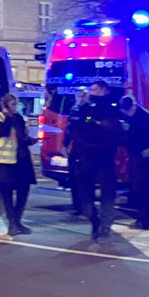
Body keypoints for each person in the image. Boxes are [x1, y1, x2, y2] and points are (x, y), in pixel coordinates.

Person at [73, 81, 124, 240]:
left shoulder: (112, 106)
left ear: (103, 90)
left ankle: (105, 225)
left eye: (94, 89)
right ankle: (93, 219)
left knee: (107, 191)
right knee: (84, 191)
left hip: (105, 155)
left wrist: (97, 123)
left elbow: (114, 129)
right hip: (87, 155)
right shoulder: (86, 107)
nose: (91, 92)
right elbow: (77, 126)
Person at [117, 96, 149, 230]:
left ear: (133, 107)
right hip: (133, 155)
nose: (128, 113)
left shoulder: (146, 117)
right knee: (136, 189)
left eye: (129, 111)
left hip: (142, 157)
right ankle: (142, 218)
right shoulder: (127, 116)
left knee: (142, 189)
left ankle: (145, 219)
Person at [0, 93, 36, 235]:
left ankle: (18, 222)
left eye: (16, 104)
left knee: (23, 191)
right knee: (7, 195)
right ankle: (12, 224)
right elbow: (3, 133)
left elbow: (21, 136)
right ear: (5, 105)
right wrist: (7, 115)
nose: (15, 106)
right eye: (12, 104)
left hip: (22, 160)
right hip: (6, 163)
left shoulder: (18, 118)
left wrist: (30, 140)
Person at [64, 88, 90, 221]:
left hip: (83, 150)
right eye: (78, 95)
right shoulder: (74, 110)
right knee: (74, 179)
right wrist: (66, 144)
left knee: (84, 180)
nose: (79, 98)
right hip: (73, 150)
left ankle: (85, 208)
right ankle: (77, 207)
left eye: (82, 95)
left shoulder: (89, 110)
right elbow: (68, 129)